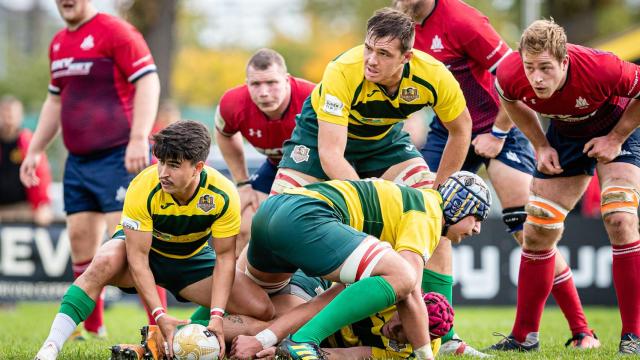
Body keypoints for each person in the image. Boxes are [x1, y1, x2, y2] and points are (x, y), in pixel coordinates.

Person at [393, 0, 598, 353]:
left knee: (530, 228)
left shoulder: (463, 19)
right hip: (449, 131)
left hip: (497, 128)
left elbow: (517, 78)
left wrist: (499, 134)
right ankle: (448, 335)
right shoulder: (403, 28)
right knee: (429, 216)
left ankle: (582, 331)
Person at [34, 120, 275, 360]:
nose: (163, 173)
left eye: (173, 165)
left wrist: (217, 316)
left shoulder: (222, 194)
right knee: (103, 261)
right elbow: (137, 258)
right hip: (144, 255)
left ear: (197, 167)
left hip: (190, 261)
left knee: (262, 309)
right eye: (160, 162)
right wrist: (160, 314)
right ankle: (50, 347)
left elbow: (224, 258)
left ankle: (180, 335)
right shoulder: (142, 186)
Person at [488, 19, 640, 354]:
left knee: (620, 215)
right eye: (531, 67)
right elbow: (511, 101)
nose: (536, 78)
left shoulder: (601, 67)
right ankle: (523, 336)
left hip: (618, 128)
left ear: (565, 61)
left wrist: (616, 138)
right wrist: (541, 145)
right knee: (538, 227)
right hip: (567, 137)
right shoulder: (512, 74)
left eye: (545, 68)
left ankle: (633, 336)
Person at [20, 0, 167, 338]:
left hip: (120, 156)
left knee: (131, 246)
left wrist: (138, 137)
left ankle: (159, 328)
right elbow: (55, 100)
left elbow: (149, 82)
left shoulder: (116, 31)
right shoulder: (58, 42)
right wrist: (36, 150)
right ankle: (91, 326)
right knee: (80, 242)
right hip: (78, 161)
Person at [243, 171, 491, 360]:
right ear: (460, 207)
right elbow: (410, 285)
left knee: (253, 301)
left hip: (274, 211)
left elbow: (326, 301)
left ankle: (210, 333)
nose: (478, 229)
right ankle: (304, 340)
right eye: (477, 218)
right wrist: (425, 354)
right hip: (307, 216)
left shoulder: (409, 212)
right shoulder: (429, 214)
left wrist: (266, 340)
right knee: (404, 278)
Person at [271, 7, 471, 197]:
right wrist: (368, 204)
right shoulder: (341, 70)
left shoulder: (435, 76)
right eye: (368, 48)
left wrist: (439, 193)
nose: (372, 61)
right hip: (320, 135)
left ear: (406, 57)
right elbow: (331, 154)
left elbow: (461, 129)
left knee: (426, 204)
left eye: (384, 54)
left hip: (381, 140)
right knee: (278, 208)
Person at [214, 48, 315, 255]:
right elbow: (224, 133)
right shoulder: (232, 104)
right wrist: (242, 183)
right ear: (247, 84)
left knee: (299, 228)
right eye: (256, 84)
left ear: (287, 80)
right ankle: (240, 285)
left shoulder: (313, 99)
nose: (264, 92)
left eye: (271, 83)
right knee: (244, 226)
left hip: (319, 169)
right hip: (276, 165)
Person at [232, 291, 450, 360]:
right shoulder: (390, 290)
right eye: (400, 320)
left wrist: (289, 354)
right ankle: (205, 331)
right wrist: (266, 338)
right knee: (274, 323)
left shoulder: (414, 353)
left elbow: (352, 355)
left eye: (405, 334)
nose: (394, 330)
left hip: (331, 340)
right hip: (319, 295)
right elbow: (316, 306)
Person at [0, 96, 53, 226]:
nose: (9, 118)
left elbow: (41, 174)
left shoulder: (29, 142)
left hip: (23, 208)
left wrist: (42, 204)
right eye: (5, 113)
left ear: (20, 116)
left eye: (12, 114)